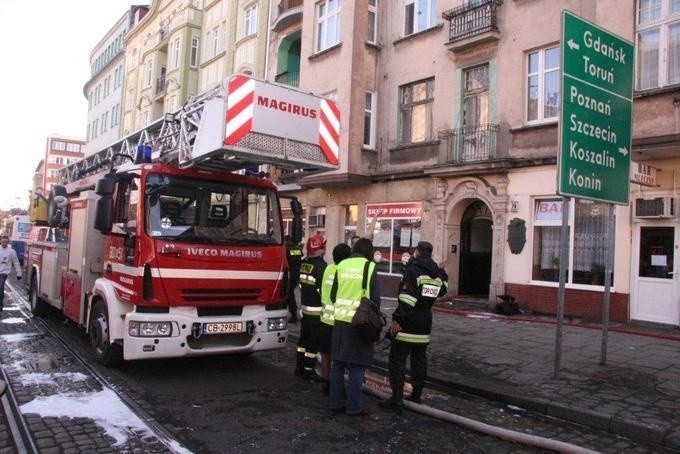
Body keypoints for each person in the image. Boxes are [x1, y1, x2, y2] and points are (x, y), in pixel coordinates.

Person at [380, 241, 446, 410]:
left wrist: (396, 320)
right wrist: (443, 271)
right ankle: (416, 394)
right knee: (419, 361)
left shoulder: (413, 270)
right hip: (425, 323)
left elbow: (407, 300)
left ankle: (397, 398)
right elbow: (443, 290)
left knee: (397, 361)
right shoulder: (436, 273)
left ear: (417, 252)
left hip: (408, 322)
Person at [329, 237, 381, 416]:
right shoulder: (370, 266)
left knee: (338, 364)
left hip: (340, 322)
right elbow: (375, 299)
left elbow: (334, 295)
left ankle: (335, 403)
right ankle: (354, 407)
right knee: (357, 366)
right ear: (369, 251)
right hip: (360, 323)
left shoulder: (342, 265)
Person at [318, 243, 352, 394]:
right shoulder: (344, 271)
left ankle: (326, 382)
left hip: (325, 319)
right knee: (340, 357)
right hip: (339, 321)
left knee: (326, 353)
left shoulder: (328, 268)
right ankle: (338, 386)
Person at [294, 234, 327, 379]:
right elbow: (322, 291)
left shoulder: (305, 264)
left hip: (305, 308)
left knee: (303, 341)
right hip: (316, 312)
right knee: (313, 343)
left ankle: (299, 367)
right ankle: (308, 370)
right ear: (321, 248)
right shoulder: (321, 267)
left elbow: (301, 285)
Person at [0, 235, 22, 311]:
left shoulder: (11, 252)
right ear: (0, 241)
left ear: (8, 242)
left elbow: (16, 262)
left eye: (6, 242)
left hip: (4, 273)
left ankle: (0, 304)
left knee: (1, 287)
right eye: (3, 242)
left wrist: (19, 273)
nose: (4, 243)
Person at [285, 235, 303, 323]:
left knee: (288, 294)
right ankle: (293, 313)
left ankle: (293, 314)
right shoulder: (297, 249)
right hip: (297, 274)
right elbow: (301, 259)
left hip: (289, 274)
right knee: (290, 293)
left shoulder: (286, 249)